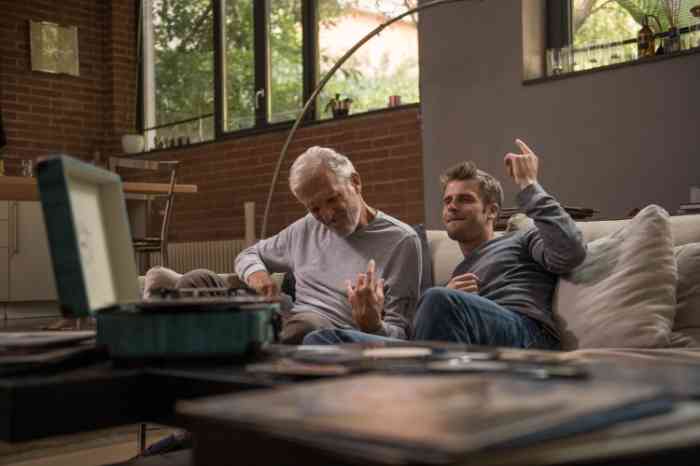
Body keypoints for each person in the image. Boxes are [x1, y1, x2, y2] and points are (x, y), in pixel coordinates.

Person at [304, 139, 587, 349]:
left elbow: (570, 251)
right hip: (460, 348)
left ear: (491, 211)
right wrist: (377, 324)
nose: (452, 207)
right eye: (447, 201)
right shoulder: (454, 278)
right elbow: (417, 337)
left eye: (464, 199)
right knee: (322, 340)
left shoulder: (522, 238)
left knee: (438, 299)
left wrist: (529, 184)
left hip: (526, 336)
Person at [144, 146, 423, 344]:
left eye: (332, 199)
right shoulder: (305, 228)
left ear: (356, 183)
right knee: (197, 281)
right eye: (314, 208)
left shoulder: (401, 241)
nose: (325, 215)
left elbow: (402, 335)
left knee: (308, 328)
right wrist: (258, 274)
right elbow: (248, 253)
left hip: (324, 332)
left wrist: (372, 324)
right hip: (285, 316)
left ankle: (230, 363)